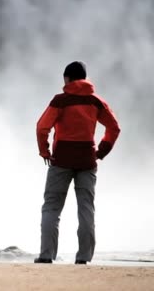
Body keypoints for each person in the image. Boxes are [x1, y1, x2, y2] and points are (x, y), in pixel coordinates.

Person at [34, 61, 121, 265]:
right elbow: (114, 128)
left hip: (61, 159)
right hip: (87, 160)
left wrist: (44, 151)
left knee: (52, 208)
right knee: (86, 208)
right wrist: (102, 151)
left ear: (67, 79)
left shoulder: (60, 101)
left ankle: (47, 255)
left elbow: (41, 128)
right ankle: (83, 258)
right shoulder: (95, 101)